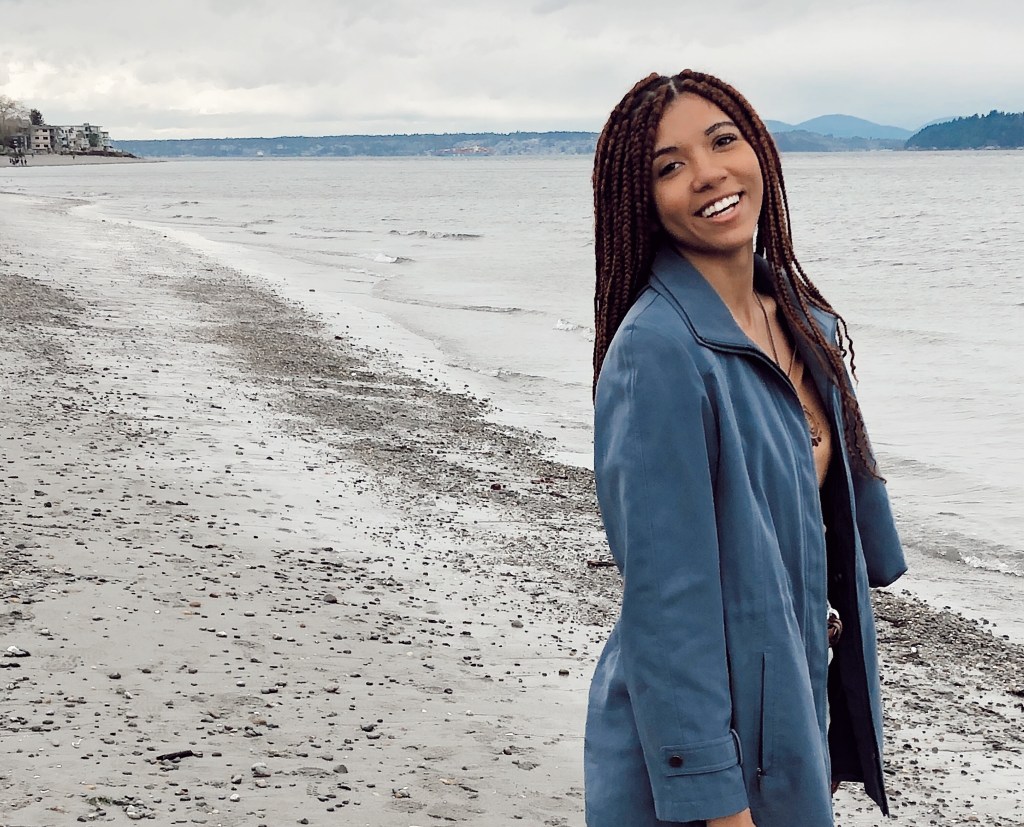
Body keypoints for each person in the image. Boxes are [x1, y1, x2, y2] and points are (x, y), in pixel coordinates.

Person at [584, 70, 907, 827]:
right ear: (643, 199)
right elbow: (666, 605)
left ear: (758, 148)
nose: (708, 174)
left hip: (786, 717)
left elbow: (836, 529)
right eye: (670, 166)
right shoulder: (658, 353)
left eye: (723, 141)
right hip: (697, 754)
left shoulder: (804, 322)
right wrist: (718, 804)